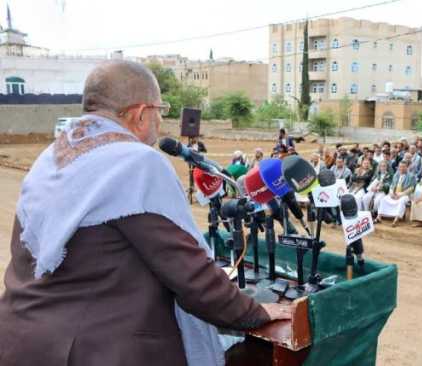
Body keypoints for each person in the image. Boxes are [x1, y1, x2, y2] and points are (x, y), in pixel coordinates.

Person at [0, 61, 291, 366]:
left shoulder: (53, 156)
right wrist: (253, 311)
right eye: (160, 111)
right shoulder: (135, 163)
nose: (160, 123)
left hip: (20, 341)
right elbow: (192, 278)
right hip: (93, 352)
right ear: (140, 114)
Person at [376, 161, 417, 227]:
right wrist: (391, 193)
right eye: (400, 167)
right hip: (395, 193)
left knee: (401, 201)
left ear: (407, 167)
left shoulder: (411, 176)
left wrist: (401, 194)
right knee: (384, 199)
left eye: (403, 167)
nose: (401, 168)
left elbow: (412, 188)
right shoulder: (396, 175)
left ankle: (396, 219)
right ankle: (379, 217)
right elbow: (392, 185)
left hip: (405, 194)